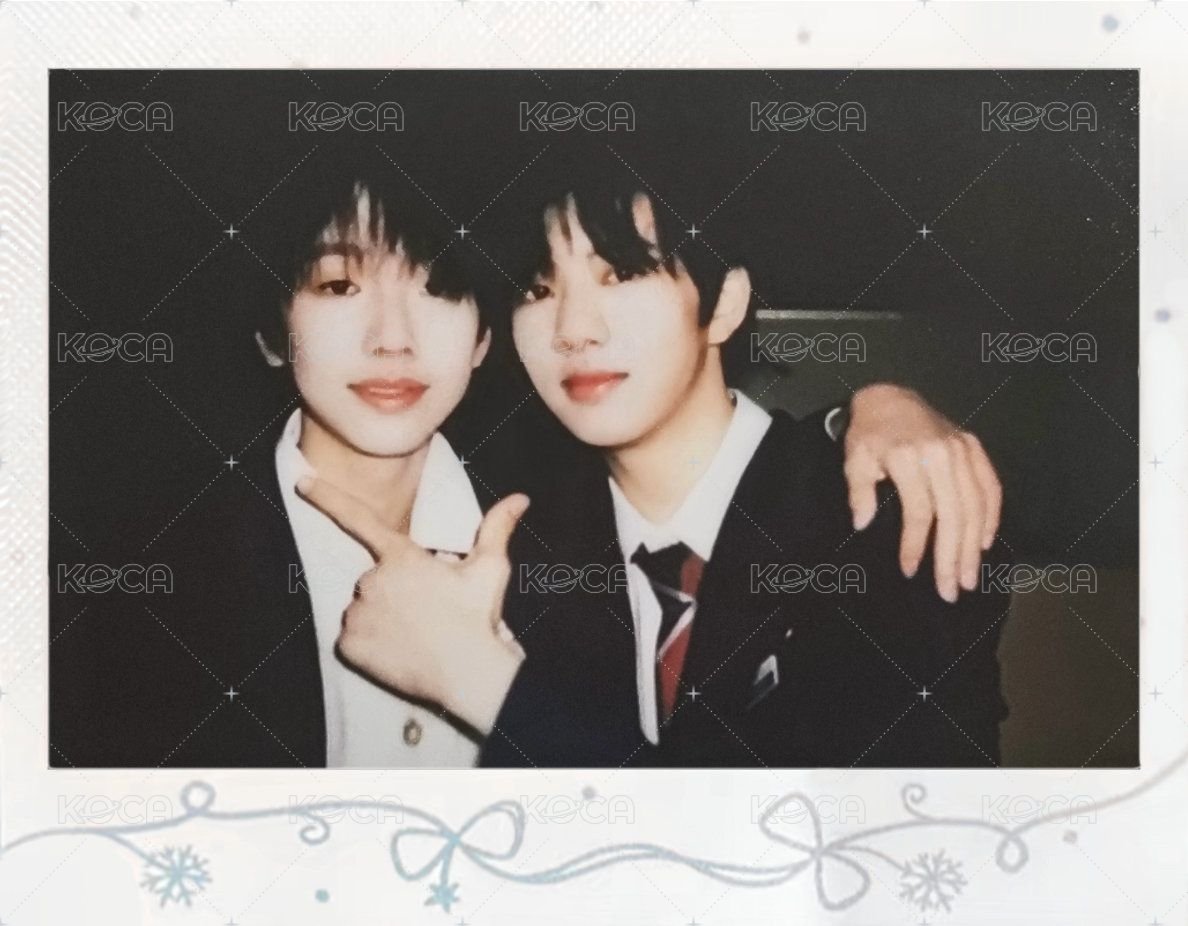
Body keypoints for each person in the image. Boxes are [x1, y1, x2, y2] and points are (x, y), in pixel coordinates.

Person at [52, 151, 1004, 768]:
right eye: (539, 288)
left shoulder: (907, 516)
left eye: (622, 275)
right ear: (272, 330)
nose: (575, 329)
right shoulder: (137, 572)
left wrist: (479, 678)